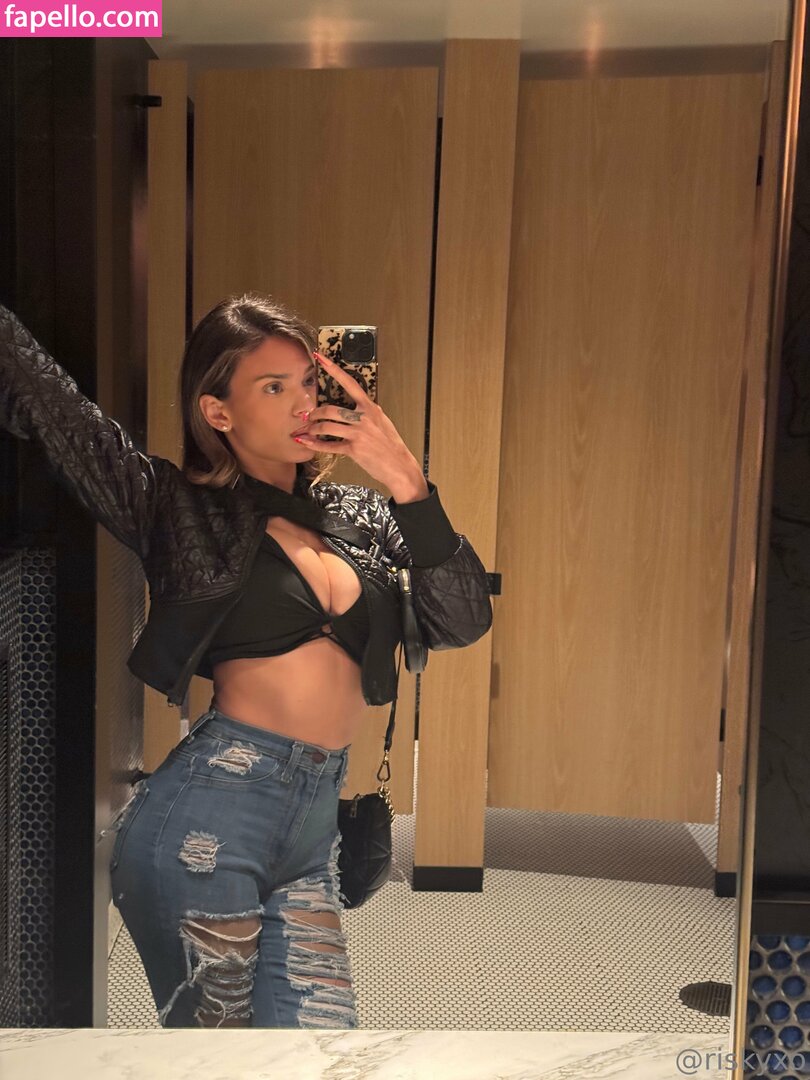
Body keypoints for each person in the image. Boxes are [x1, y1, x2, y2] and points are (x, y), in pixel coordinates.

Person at [0, 293, 493, 1028]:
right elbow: (55, 410)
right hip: (206, 822)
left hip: (311, 834)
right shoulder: (173, 505)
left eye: (309, 381)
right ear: (218, 412)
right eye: (273, 386)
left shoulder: (361, 515)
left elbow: (461, 620)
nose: (302, 402)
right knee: (223, 1059)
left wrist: (408, 485)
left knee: (322, 1054)